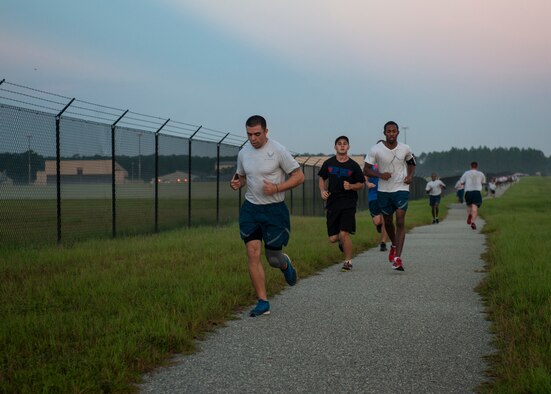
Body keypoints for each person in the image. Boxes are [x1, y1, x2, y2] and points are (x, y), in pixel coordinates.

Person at [230, 115, 305, 317]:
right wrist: (237, 183)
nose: (253, 138)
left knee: (272, 258)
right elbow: (243, 176)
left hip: (274, 210)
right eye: (249, 134)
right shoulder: (243, 152)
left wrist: (278, 187)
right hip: (251, 209)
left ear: (266, 131)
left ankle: (284, 263)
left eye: (257, 134)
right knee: (252, 253)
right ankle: (263, 302)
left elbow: (299, 176)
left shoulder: (278, 150)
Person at [363, 121, 416, 271]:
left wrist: (410, 175)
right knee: (388, 222)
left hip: (401, 188)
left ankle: (398, 258)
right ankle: (393, 244)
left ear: (398, 132)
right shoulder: (376, 149)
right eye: (389, 131)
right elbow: (366, 170)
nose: (391, 133)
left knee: (400, 220)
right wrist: (380, 174)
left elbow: (412, 163)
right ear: (384, 133)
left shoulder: (405, 148)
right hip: (384, 190)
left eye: (394, 131)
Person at [318, 136, 365, 272]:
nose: (342, 146)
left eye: (345, 144)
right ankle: (342, 242)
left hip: (348, 202)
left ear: (348, 147)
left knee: (344, 233)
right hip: (333, 202)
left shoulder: (353, 165)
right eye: (339, 144)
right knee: (333, 238)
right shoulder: (329, 163)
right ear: (335, 147)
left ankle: (348, 261)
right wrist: (322, 191)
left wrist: (351, 186)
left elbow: (361, 184)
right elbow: (321, 178)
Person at [366, 163, 389, 251]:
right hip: (373, 195)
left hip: (385, 194)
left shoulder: (387, 164)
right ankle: (378, 225)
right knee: (377, 221)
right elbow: (365, 176)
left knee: (385, 219)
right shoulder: (370, 165)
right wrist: (367, 183)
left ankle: (383, 243)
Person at [458, 161, 486, 230]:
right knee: (475, 207)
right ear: (477, 166)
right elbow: (483, 182)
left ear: (471, 166)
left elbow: (461, 183)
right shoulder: (481, 174)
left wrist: (466, 183)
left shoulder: (466, 173)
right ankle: (473, 222)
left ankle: (469, 215)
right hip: (477, 192)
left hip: (468, 191)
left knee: (469, 205)